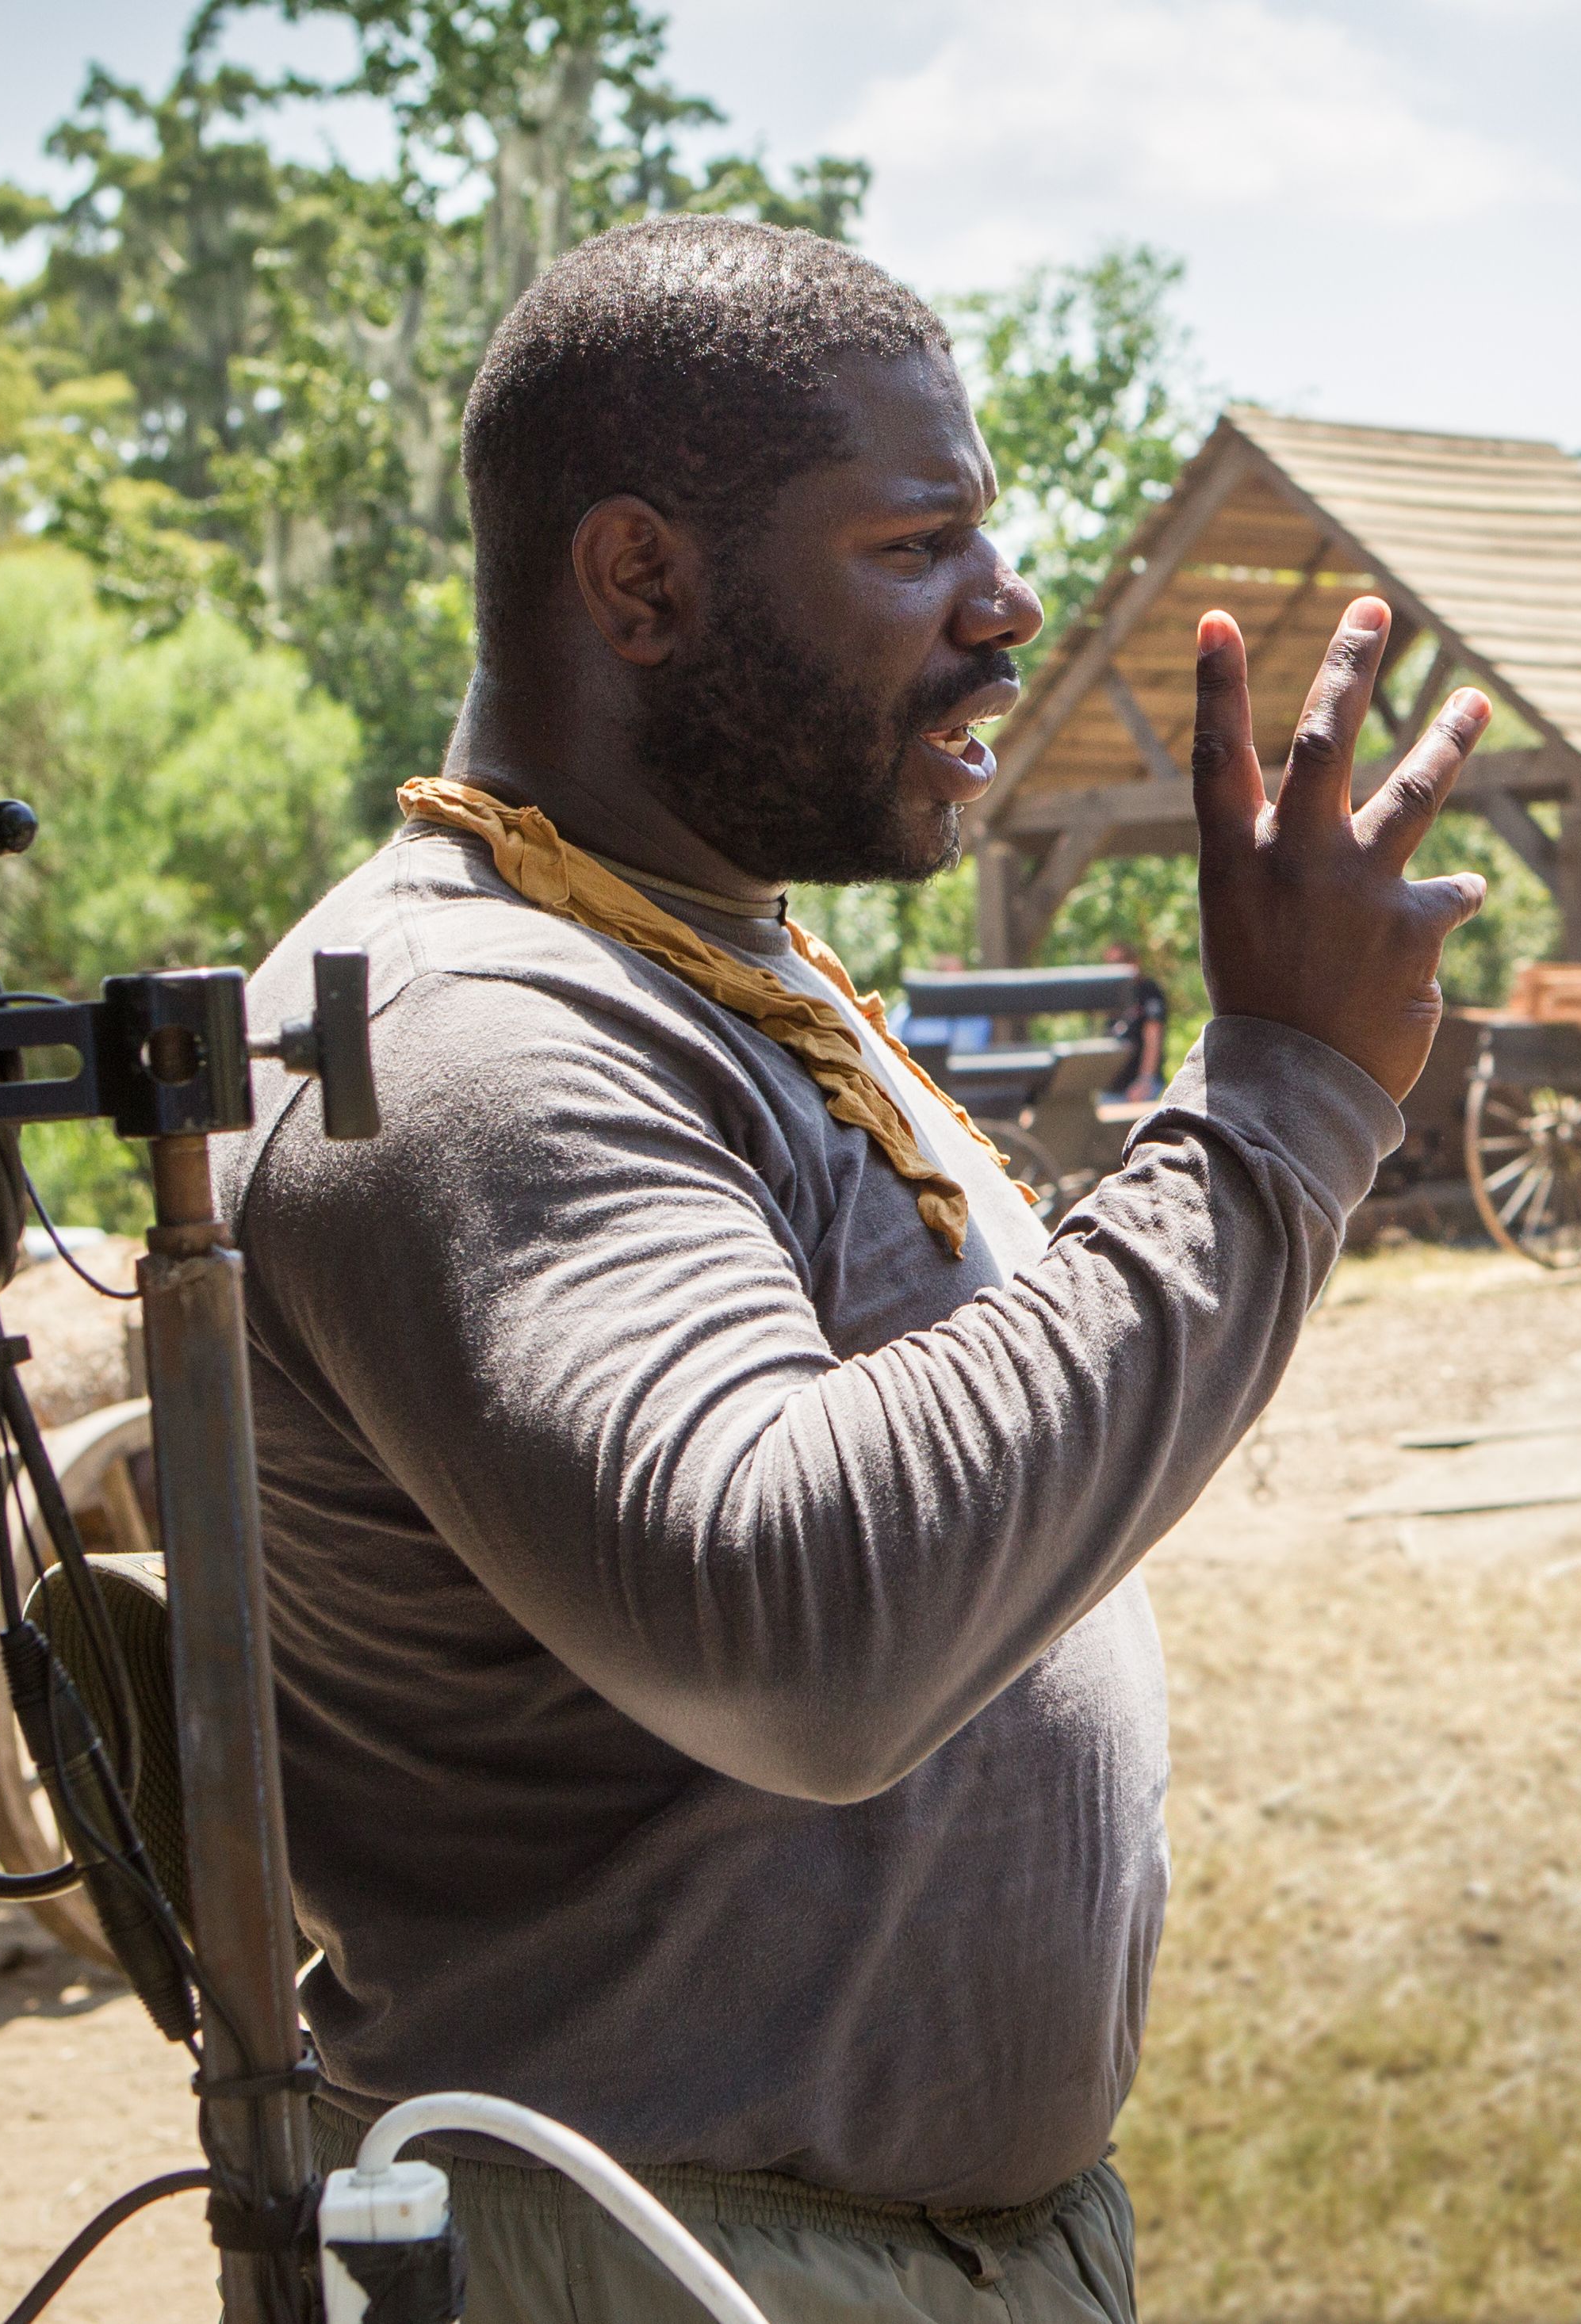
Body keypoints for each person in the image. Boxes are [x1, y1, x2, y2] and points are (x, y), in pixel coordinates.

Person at [219, 216, 1490, 2322]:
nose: (1006, 611)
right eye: (914, 549)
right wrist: (1280, 1104)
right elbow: (806, 1622)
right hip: (644, 2252)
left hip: (875, 2252)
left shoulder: (722, 959)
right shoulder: (456, 1032)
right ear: (639, 581)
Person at [1103, 941, 1169, 1103]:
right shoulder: (1110, 994)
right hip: (1112, 1085)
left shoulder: (1148, 991)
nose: (1115, 968)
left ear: (1135, 962)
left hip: (1139, 1085)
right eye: (1110, 964)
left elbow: (1153, 1037)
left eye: (1121, 962)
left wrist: (1145, 1081)